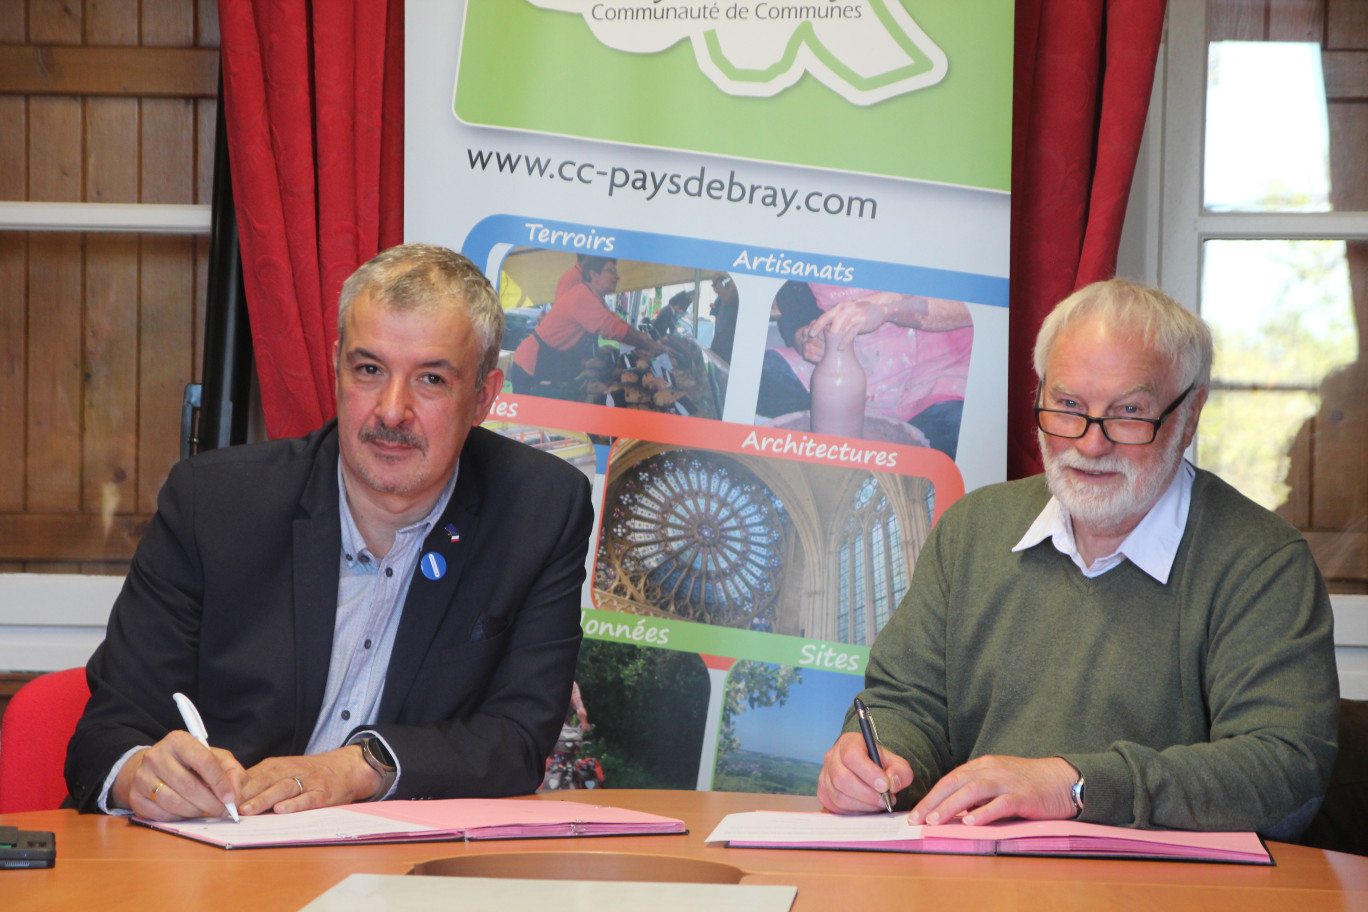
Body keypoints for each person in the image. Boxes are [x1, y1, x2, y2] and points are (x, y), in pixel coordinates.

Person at [65, 244, 595, 821]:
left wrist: (357, 767)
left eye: (431, 380)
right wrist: (141, 772)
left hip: (397, 876)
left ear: (483, 399)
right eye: (369, 370)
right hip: (213, 865)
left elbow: (518, 737)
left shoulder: (539, 511)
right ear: (336, 367)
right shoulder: (214, 504)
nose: (392, 411)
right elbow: (108, 732)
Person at [817, 278, 1338, 837]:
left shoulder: (1262, 563)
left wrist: (1074, 786)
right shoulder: (973, 531)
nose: (1091, 444)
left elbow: (1283, 769)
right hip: (975, 883)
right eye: (1067, 406)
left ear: (1190, 415)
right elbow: (904, 704)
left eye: (1129, 412)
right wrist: (880, 762)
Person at [759, 281, 973, 458]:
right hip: (852, 360)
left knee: (953, 450)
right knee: (749, 381)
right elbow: (797, 312)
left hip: (936, 369)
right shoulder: (804, 242)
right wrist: (806, 339)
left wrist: (888, 306)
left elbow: (979, 305)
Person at [510, 256, 664, 395]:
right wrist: (648, 344)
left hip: (549, 360)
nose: (617, 277)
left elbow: (615, 320)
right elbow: (614, 329)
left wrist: (643, 338)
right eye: (611, 271)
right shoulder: (582, 296)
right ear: (593, 274)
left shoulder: (593, 296)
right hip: (532, 363)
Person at [709, 273, 739, 363]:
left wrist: (718, 281)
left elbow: (727, 298)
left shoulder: (735, 283)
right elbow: (716, 315)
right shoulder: (720, 298)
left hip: (728, 334)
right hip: (720, 334)